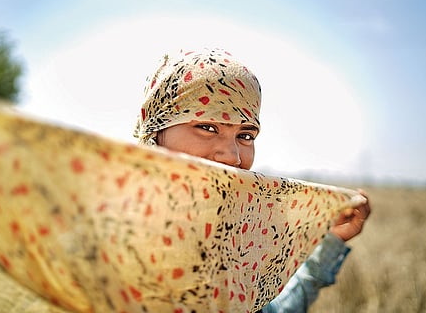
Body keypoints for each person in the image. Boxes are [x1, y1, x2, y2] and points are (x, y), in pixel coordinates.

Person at [134, 48, 371, 312]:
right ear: (155, 133)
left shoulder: (235, 239)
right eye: (208, 127)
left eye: (245, 135)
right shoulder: (111, 239)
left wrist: (330, 245)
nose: (234, 157)